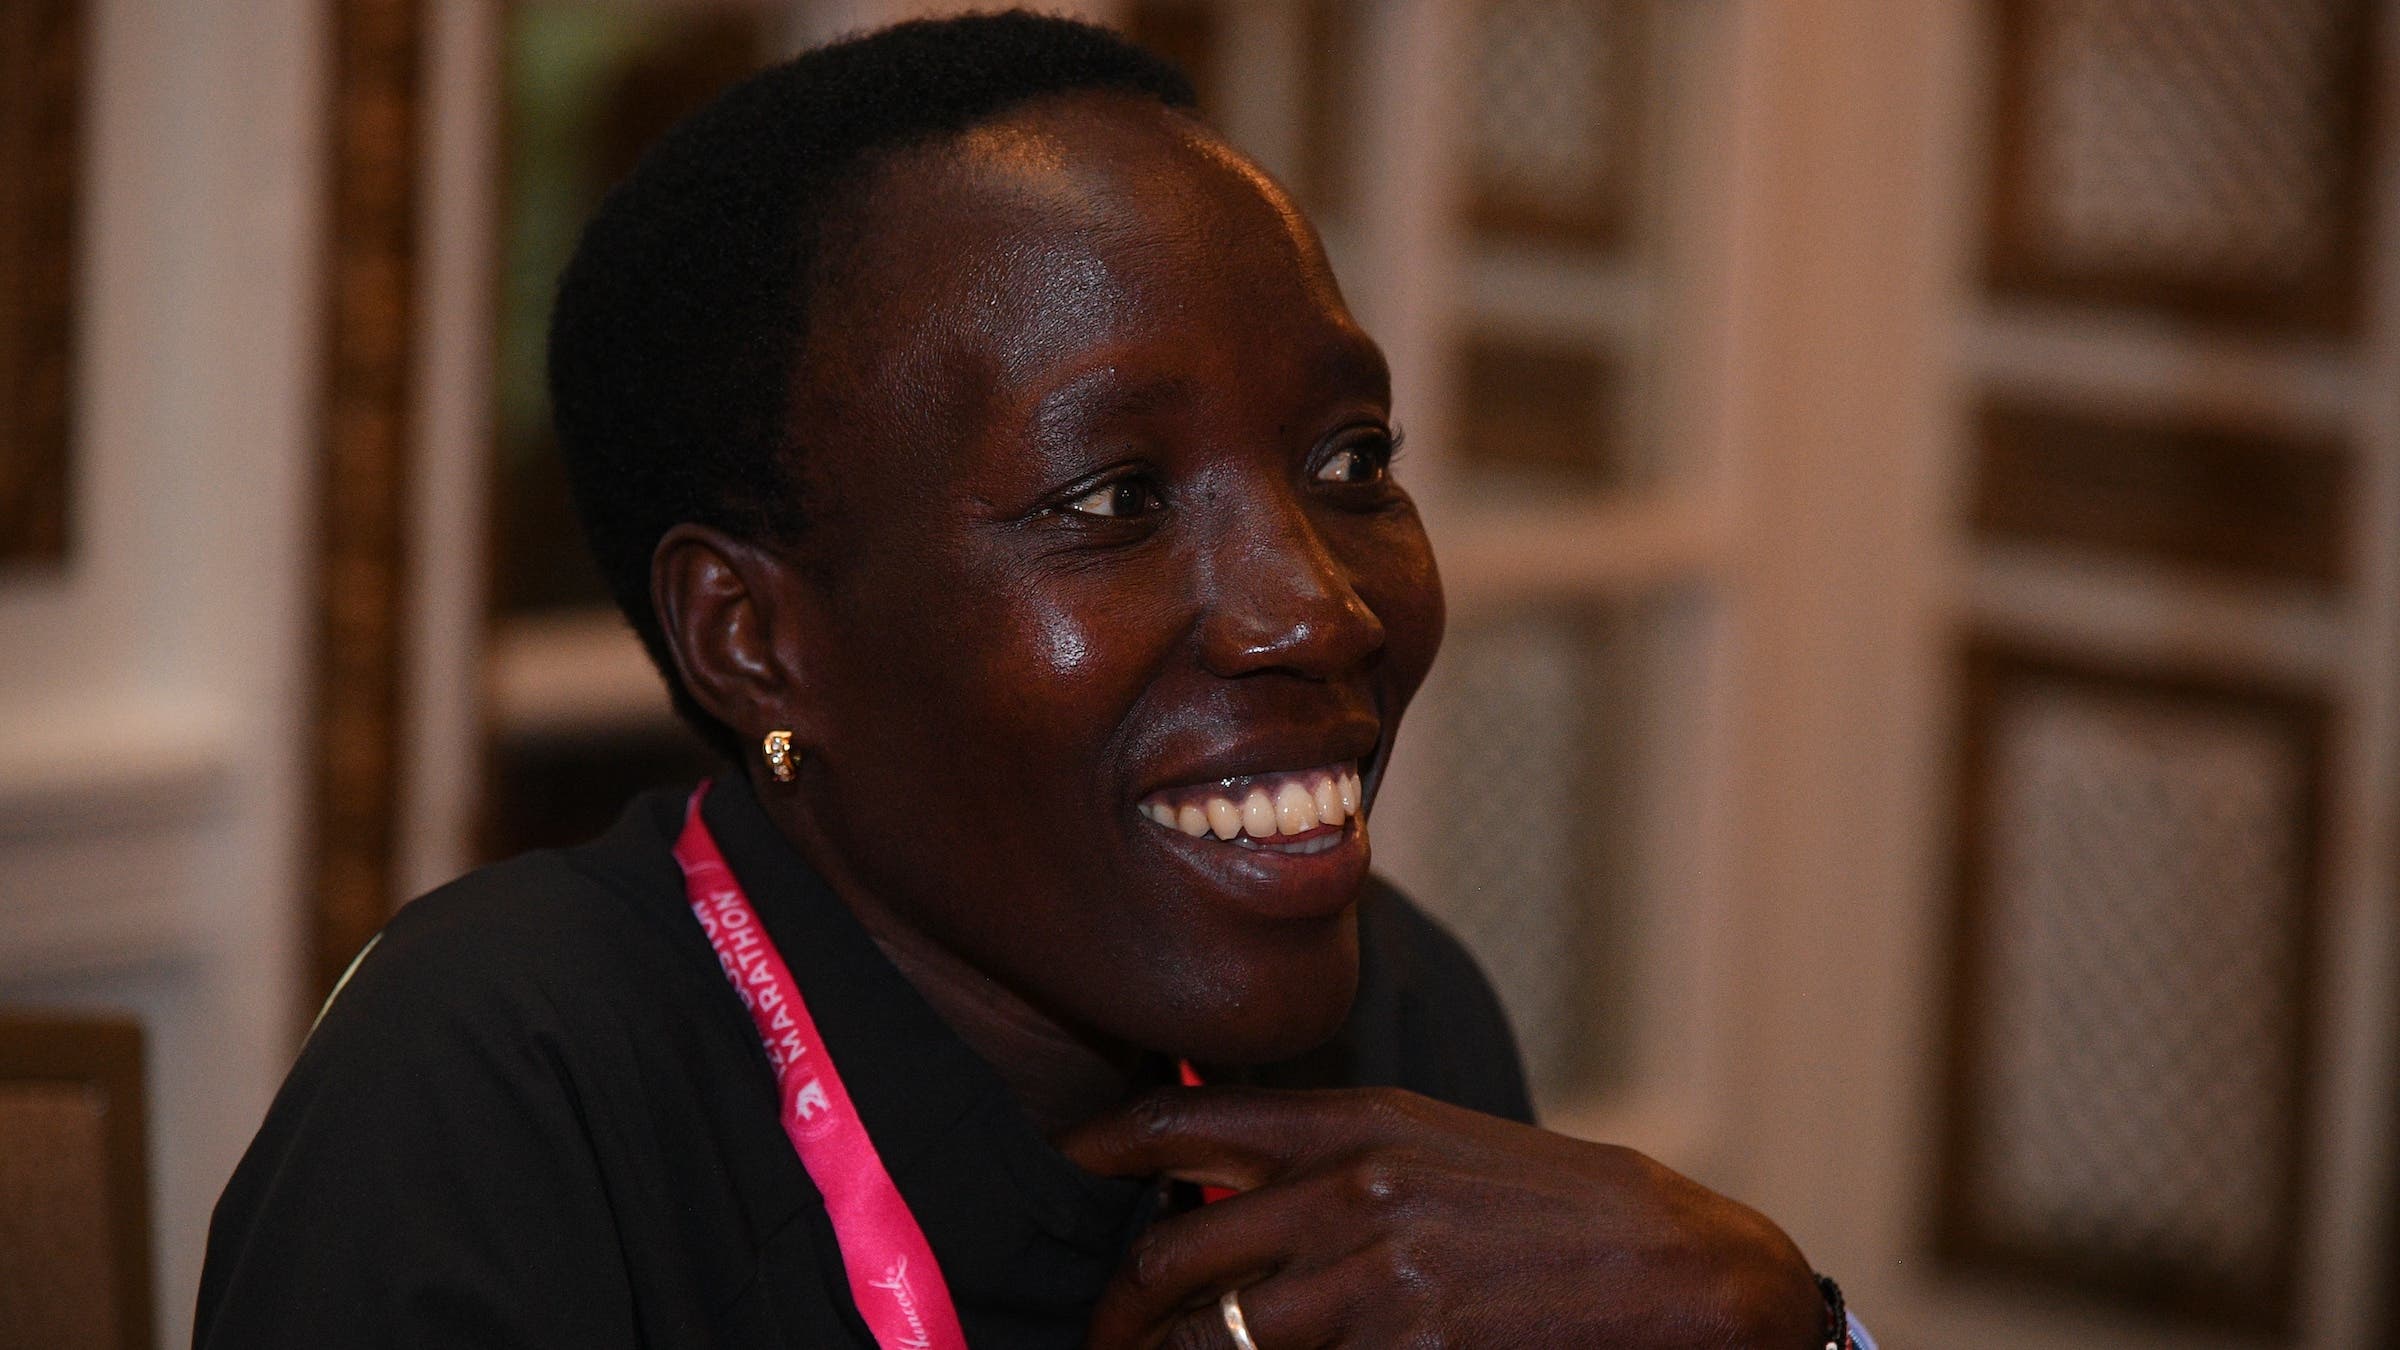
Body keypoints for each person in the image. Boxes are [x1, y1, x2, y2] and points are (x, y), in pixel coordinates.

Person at [197, 13, 1872, 1349]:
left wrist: (1784, 1330)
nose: (1316, 605)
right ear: (755, 637)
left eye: (1351, 458)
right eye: (1114, 498)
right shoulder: (506, 1088)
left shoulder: (1403, 1016)